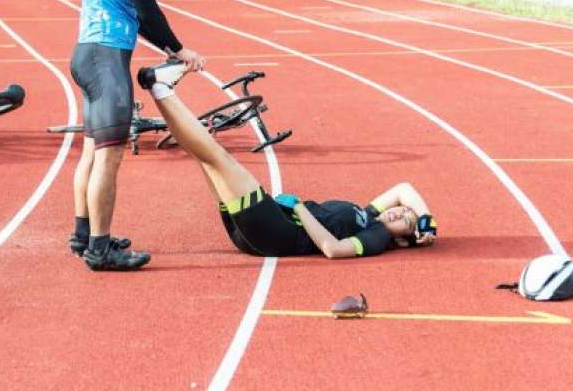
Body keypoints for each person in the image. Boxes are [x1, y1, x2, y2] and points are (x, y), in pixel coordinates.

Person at [134, 61, 438, 258]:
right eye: (403, 212)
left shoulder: (377, 237)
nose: (400, 214)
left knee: (217, 156)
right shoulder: (370, 215)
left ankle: (161, 86)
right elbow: (403, 189)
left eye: (406, 222)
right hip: (264, 230)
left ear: (401, 240)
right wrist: (426, 220)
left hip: (279, 232)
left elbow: (333, 249)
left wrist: (301, 209)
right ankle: (159, 86)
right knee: (206, 158)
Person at [69, 0, 206, 271]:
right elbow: (146, 9)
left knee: (93, 151)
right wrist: (180, 49)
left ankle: (83, 235)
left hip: (87, 54)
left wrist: (173, 48)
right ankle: (100, 248)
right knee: (109, 157)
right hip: (108, 59)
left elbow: (137, 15)